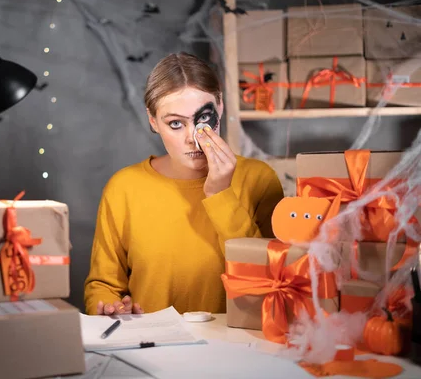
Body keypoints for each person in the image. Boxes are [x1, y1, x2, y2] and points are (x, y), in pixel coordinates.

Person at [84, 52, 284, 316]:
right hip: (153, 349)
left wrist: (221, 194)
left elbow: (273, 281)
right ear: (153, 121)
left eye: (203, 119)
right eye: (176, 123)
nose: (193, 139)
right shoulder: (124, 187)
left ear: (221, 107)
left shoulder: (260, 179)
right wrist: (108, 307)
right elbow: (103, 285)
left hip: (239, 345)